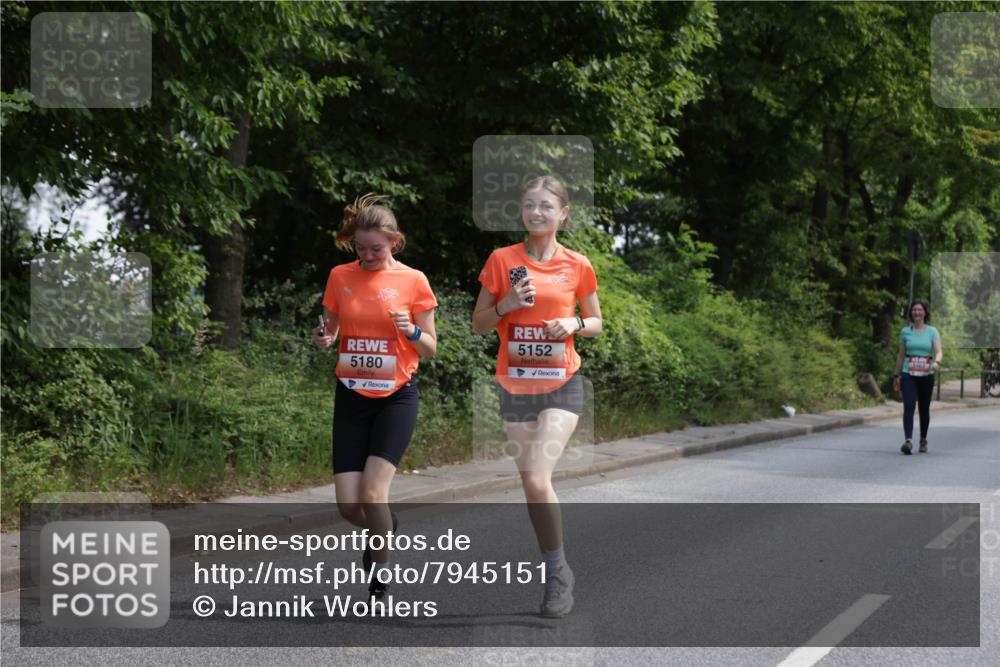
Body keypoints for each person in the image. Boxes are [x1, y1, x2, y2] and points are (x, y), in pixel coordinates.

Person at [472, 175, 603, 618]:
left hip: (562, 383)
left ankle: (555, 575)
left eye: (546, 206)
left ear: (562, 214)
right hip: (515, 385)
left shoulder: (577, 264)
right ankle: (559, 566)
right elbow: (479, 324)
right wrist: (506, 305)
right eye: (529, 205)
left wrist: (574, 326)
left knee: (536, 477)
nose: (536, 213)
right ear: (521, 212)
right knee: (532, 485)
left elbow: (597, 321)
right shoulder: (501, 260)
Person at [313, 194, 438, 601]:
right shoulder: (339, 276)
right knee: (350, 508)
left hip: (396, 397)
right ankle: (385, 526)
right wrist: (324, 338)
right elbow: (330, 330)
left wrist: (411, 331)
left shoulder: (414, 281)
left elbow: (431, 347)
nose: (367, 255)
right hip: (350, 397)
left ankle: (381, 571)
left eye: (376, 249)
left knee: (372, 495)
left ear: (394, 243)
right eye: (360, 248)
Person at [892, 299, 942, 455]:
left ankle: (923, 439)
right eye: (914, 310)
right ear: (911, 313)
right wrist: (896, 375)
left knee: (924, 409)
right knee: (908, 406)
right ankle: (908, 440)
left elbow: (938, 351)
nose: (917, 312)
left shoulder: (932, 331)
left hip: (926, 374)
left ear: (925, 313)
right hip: (909, 374)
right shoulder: (905, 332)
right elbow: (901, 356)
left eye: (920, 310)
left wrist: (937, 362)